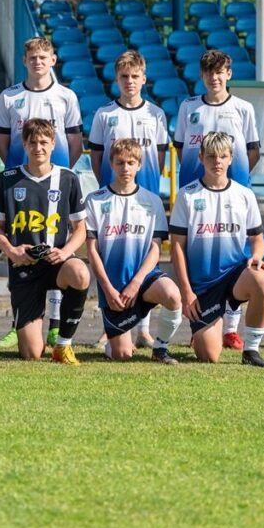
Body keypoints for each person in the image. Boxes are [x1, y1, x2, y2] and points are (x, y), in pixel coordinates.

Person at [0, 36, 83, 350]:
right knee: (21, 248)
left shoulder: (66, 96)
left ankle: (56, 326)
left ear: (53, 60)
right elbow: (3, 141)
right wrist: (17, 168)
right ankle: (19, 323)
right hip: (21, 182)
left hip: (55, 181)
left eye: (43, 57)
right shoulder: (9, 96)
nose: (38, 62)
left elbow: (75, 141)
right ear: (24, 61)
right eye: (32, 57)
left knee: (55, 246)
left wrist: (61, 172)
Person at [173, 49, 260, 350]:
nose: (214, 77)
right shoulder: (189, 107)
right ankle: (200, 322)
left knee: (235, 256)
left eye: (220, 71)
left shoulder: (243, 108)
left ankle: (231, 329)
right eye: (209, 72)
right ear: (202, 75)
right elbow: (181, 148)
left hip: (233, 195)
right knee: (199, 256)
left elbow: (252, 151)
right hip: (197, 195)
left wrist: (236, 181)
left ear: (228, 74)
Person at [0, 118, 90, 364]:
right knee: (31, 353)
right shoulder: (8, 179)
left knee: (80, 273)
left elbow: (80, 229)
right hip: (23, 267)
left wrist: (65, 252)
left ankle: (63, 345)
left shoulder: (67, 178)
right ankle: (33, 326)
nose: (38, 148)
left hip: (57, 263)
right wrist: (12, 251)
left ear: (53, 144)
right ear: (24, 145)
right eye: (33, 142)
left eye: (44, 142)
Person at [169, 132, 264, 367]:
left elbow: (258, 240)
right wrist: (186, 292)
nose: (217, 161)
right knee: (209, 356)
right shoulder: (187, 195)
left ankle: (251, 350)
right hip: (203, 285)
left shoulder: (244, 195)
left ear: (231, 158)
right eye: (211, 156)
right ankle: (208, 327)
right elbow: (177, 247)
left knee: (262, 279)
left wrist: (257, 257)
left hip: (234, 275)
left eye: (223, 156)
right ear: (201, 158)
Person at [88, 49, 169, 348]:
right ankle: (110, 325)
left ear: (144, 78)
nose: (130, 81)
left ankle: (143, 329)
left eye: (135, 76)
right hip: (112, 198)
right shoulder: (104, 114)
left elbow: (159, 158)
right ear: (116, 78)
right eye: (124, 76)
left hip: (145, 198)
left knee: (142, 259)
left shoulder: (156, 114)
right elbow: (97, 157)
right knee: (112, 258)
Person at [85, 138, 182, 364]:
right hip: (114, 286)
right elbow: (92, 251)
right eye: (120, 162)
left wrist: (137, 283)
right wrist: (108, 289)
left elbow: (156, 248)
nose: (125, 168)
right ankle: (113, 343)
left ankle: (160, 349)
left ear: (139, 165)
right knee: (122, 355)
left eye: (131, 163)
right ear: (111, 164)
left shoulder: (152, 201)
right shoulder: (95, 200)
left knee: (172, 295)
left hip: (144, 279)